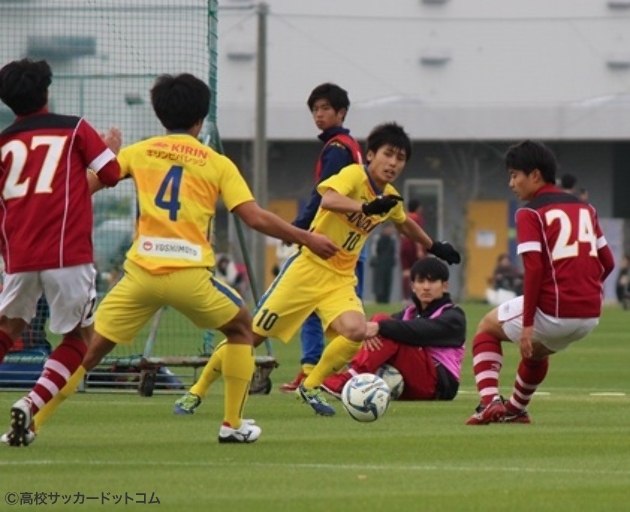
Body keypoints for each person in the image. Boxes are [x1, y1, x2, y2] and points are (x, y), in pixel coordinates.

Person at [26, 73, 339, 446]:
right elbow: (253, 216)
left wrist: (105, 155)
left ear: (161, 117)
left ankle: (32, 422)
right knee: (241, 328)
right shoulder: (217, 162)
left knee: (86, 350)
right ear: (200, 119)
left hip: (140, 275)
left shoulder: (140, 151)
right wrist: (306, 237)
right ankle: (232, 424)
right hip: (190, 275)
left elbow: (82, 190)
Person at [175, 122, 461, 417]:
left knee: (356, 330)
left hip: (340, 279)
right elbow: (329, 199)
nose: (393, 163)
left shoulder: (389, 197)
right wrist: (365, 209)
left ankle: (310, 385)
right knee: (250, 336)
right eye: (388, 154)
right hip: (307, 269)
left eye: (400, 158)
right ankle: (197, 390)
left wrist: (434, 246)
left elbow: (403, 222)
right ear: (371, 154)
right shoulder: (353, 175)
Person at [0, 58, 121, 446]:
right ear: (47, 92)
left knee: (8, 329)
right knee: (78, 338)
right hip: (67, 253)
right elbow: (111, 174)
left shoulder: (4, 143)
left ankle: (28, 410)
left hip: (18, 254)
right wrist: (112, 148)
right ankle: (31, 404)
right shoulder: (74, 129)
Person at [467, 140, 615, 425]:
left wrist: (527, 325)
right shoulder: (587, 209)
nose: (511, 183)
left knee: (486, 328)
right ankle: (516, 409)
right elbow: (607, 262)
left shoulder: (530, 212)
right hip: (589, 316)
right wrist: (585, 290)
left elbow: (533, 269)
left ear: (534, 175)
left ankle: (488, 403)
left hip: (554, 312)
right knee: (535, 353)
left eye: (514, 174)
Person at [278, 83, 365, 393]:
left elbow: (325, 196)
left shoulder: (338, 149)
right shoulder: (349, 145)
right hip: (352, 243)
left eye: (325, 108)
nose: (319, 114)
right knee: (345, 313)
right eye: (315, 109)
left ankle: (318, 371)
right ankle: (323, 371)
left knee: (314, 307)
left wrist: (299, 229)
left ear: (341, 112)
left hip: (332, 244)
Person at [321, 257, 466, 400]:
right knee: (381, 326)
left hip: (438, 384)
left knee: (385, 325)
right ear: (413, 286)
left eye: (432, 281)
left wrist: (380, 326)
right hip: (410, 381)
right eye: (421, 281)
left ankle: (351, 378)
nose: (426, 287)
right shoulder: (409, 313)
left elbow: (422, 330)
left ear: (444, 286)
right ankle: (334, 373)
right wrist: (374, 329)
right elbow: (382, 333)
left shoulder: (453, 316)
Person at [399, 198, 426, 302]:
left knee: (406, 272)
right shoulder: (416, 218)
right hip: (412, 247)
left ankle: (405, 298)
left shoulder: (404, 216)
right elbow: (417, 235)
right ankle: (414, 296)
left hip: (403, 246)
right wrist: (419, 250)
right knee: (417, 271)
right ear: (418, 208)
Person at [371, 223, 397, 304]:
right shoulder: (378, 238)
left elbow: (394, 252)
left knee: (388, 281)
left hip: (388, 264)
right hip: (380, 263)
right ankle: (379, 299)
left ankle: (386, 299)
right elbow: (374, 250)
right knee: (379, 282)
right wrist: (376, 260)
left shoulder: (392, 239)